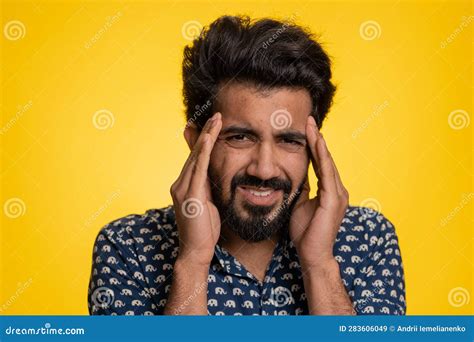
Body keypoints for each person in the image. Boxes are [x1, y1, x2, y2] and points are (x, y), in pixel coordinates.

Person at [88, 15, 406, 315]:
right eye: (240, 137)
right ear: (198, 142)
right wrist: (193, 261)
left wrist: (319, 265)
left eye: (289, 141)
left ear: (313, 148)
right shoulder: (127, 248)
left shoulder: (369, 239)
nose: (264, 169)